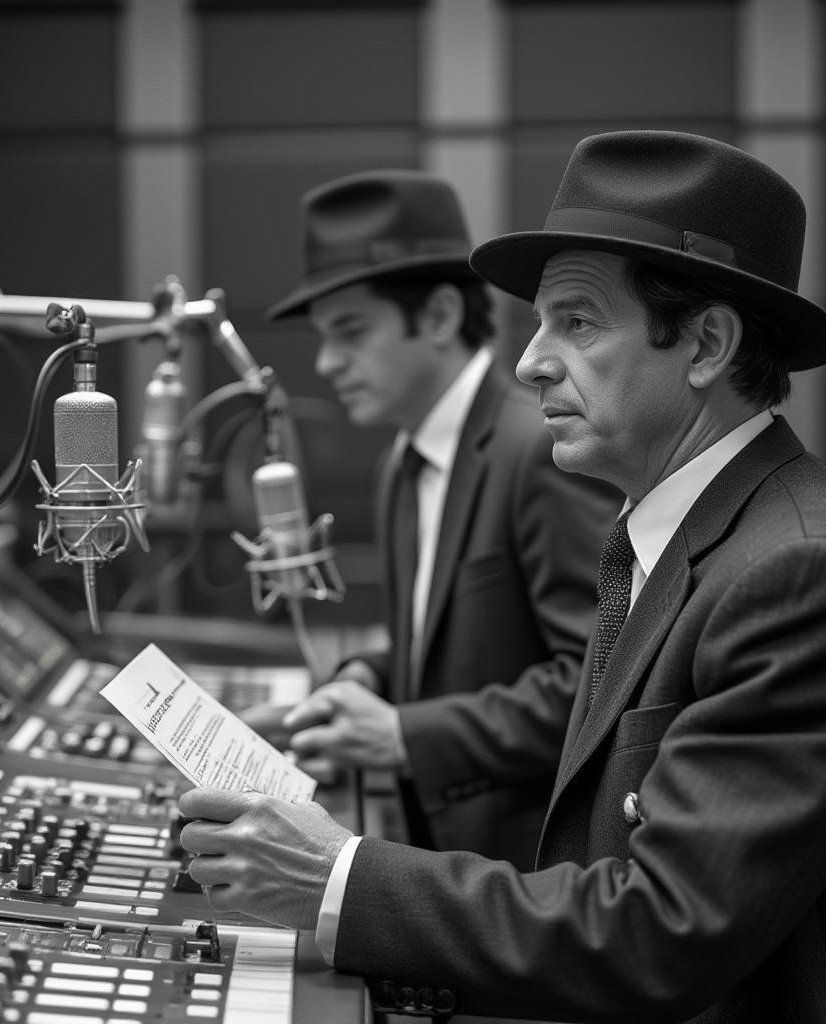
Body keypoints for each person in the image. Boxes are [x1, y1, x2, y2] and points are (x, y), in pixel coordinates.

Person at [178, 131, 826, 1023]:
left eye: (576, 321)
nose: (529, 360)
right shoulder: (674, 532)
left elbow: (662, 932)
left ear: (705, 344)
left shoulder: (809, 572)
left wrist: (335, 877)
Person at [250, 168, 618, 870]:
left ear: (443, 315)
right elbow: (445, 644)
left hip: (529, 874)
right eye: (324, 337)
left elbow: (597, 680)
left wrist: (403, 735)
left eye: (351, 332)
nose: (327, 362)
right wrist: (365, 676)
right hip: (440, 864)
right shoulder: (402, 460)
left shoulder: (539, 450)